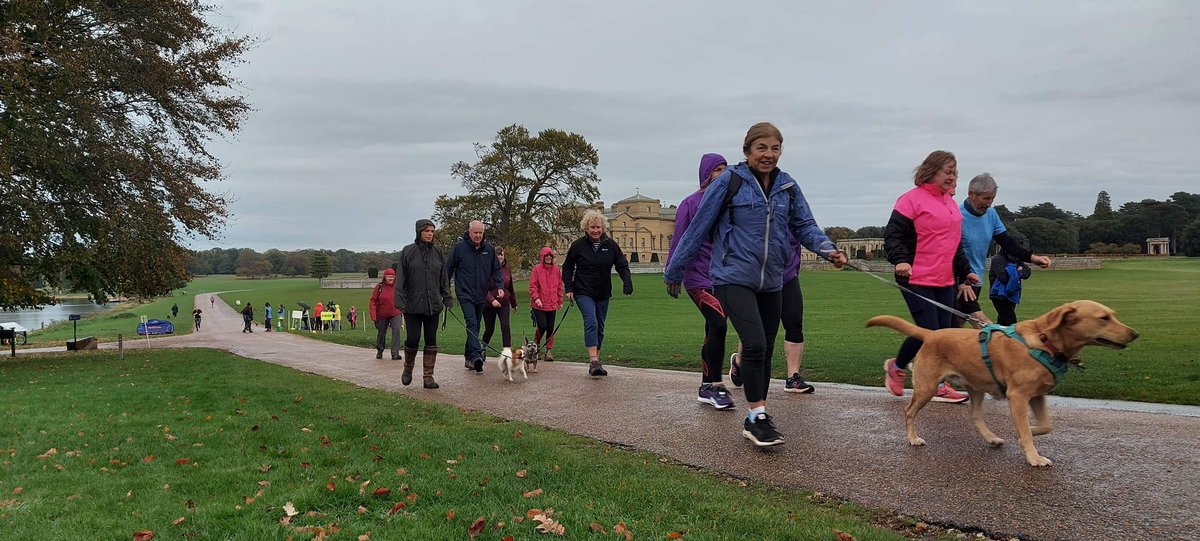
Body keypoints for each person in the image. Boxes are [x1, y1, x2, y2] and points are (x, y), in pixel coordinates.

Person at [665, 122, 847, 447]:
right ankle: (756, 415)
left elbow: (805, 225)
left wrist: (827, 248)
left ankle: (757, 416)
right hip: (731, 276)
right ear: (747, 151)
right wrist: (675, 270)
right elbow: (698, 228)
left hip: (772, 280)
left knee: (764, 349)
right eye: (761, 148)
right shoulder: (730, 183)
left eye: (775, 148)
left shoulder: (788, 186)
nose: (768, 154)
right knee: (754, 343)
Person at [882, 150, 978, 404]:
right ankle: (909, 371)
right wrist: (901, 260)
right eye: (947, 171)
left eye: (955, 172)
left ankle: (907, 369)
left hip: (944, 279)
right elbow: (893, 235)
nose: (952, 177)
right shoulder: (910, 200)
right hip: (915, 277)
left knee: (941, 335)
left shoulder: (949, 205)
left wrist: (965, 270)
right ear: (931, 171)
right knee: (931, 333)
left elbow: (955, 244)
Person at [666, 152, 736, 410]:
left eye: (725, 169)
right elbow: (680, 240)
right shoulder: (690, 203)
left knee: (713, 328)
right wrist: (673, 273)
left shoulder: (728, 204)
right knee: (718, 324)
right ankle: (715, 385)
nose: (722, 174)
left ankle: (706, 386)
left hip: (724, 276)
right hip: (697, 277)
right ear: (706, 174)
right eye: (718, 169)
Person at [956, 172, 1053, 325]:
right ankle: (1004, 345)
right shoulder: (956, 215)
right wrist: (961, 280)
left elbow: (1007, 242)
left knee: (951, 328)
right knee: (982, 324)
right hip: (957, 281)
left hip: (975, 281)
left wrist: (1033, 258)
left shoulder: (991, 214)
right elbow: (950, 252)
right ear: (971, 194)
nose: (989, 203)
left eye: (992, 199)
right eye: (986, 198)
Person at [563, 209, 633, 377]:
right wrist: (569, 288)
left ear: (603, 227)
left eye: (598, 227)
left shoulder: (610, 245)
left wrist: (627, 282)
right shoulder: (578, 245)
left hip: (602, 291)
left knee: (600, 327)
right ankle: (593, 359)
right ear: (586, 228)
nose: (595, 230)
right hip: (583, 290)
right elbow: (567, 267)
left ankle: (596, 363)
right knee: (591, 322)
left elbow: (621, 264)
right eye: (592, 227)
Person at [396, 219, 453, 388]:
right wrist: (400, 301)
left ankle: (428, 377)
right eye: (427, 230)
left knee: (431, 339)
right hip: (412, 304)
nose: (430, 234)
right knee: (413, 339)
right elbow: (400, 278)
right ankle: (408, 368)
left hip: (433, 304)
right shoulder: (408, 252)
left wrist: (447, 296)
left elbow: (443, 277)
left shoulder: (438, 252)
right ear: (419, 232)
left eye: (432, 231)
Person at [446, 220, 504, 373]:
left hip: (481, 294)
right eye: (475, 232)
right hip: (464, 293)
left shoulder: (489, 250)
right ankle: (476, 357)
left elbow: (496, 270)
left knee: (476, 326)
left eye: (480, 233)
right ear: (469, 232)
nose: (478, 235)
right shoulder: (459, 248)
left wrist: (499, 286)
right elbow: (448, 270)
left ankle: (468, 356)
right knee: (471, 323)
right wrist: (444, 291)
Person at [528, 246, 564, 362]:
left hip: (552, 303)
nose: (548, 258)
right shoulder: (537, 269)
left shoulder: (556, 270)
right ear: (542, 257)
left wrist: (560, 300)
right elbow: (533, 286)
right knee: (542, 326)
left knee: (550, 328)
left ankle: (549, 350)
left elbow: (559, 286)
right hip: (539, 304)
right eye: (546, 256)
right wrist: (536, 298)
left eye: (550, 256)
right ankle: (536, 344)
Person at [481, 247, 517, 354]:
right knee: (489, 329)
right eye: (498, 254)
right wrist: (491, 300)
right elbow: (483, 288)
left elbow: (510, 288)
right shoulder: (487, 269)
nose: (500, 257)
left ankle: (507, 351)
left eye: (502, 254)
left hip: (504, 303)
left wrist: (514, 303)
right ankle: (483, 347)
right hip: (488, 305)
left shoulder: (507, 270)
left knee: (505, 326)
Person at [989, 245, 1033, 325]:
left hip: (1012, 293)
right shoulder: (997, 259)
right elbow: (1003, 278)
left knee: (1003, 322)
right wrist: (1018, 271)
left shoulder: (1014, 258)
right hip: (999, 295)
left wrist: (1014, 272)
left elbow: (1027, 272)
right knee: (1011, 322)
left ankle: (997, 336)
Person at [370, 269, 403, 360]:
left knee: (396, 331)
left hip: (395, 313)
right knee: (381, 333)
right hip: (381, 314)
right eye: (389, 276)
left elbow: (403, 297)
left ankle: (395, 353)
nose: (391, 278)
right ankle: (380, 351)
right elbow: (373, 301)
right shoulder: (379, 287)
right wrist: (374, 316)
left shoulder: (398, 287)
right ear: (385, 277)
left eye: (393, 276)